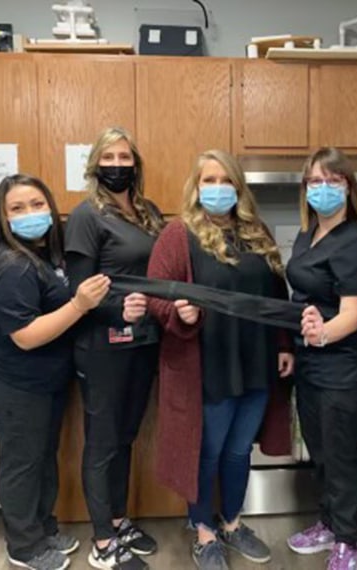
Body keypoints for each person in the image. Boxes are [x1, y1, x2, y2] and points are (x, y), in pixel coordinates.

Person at [143, 149, 294, 570]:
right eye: (208, 181)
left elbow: (275, 297)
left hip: (256, 361)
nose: (217, 189)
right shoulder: (178, 234)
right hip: (207, 365)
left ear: (238, 188)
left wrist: (283, 343)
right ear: (196, 187)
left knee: (239, 450)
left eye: (225, 181)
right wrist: (178, 312)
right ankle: (203, 531)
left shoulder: (255, 232)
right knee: (206, 452)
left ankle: (231, 523)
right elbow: (157, 294)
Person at [0, 174, 110, 570]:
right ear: (2, 219)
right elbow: (27, 336)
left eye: (37, 204)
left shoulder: (44, 255)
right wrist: (80, 305)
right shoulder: (11, 267)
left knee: (42, 455)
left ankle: (43, 528)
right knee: (22, 461)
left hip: (42, 381)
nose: (30, 213)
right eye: (17, 208)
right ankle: (24, 546)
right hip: (13, 381)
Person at [64, 126, 165, 570]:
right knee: (102, 442)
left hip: (143, 343)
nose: (118, 165)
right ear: (95, 166)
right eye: (109, 158)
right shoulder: (86, 216)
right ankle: (103, 541)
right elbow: (79, 289)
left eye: (125, 157)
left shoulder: (149, 212)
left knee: (125, 437)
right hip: (103, 345)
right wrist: (116, 309)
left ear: (136, 164)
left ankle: (119, 520)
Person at [285, 147, 357, 570]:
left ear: (349, 188)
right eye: (314, 181)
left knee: (342, 454)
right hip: (310, 365)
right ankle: (327, 521)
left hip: (343, 366)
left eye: (333, 180)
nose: (323, 189)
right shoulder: (307, 236)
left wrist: (323, 334)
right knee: (320, 450)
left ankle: (348, 539)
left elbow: (354, 313)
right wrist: (298, 345)